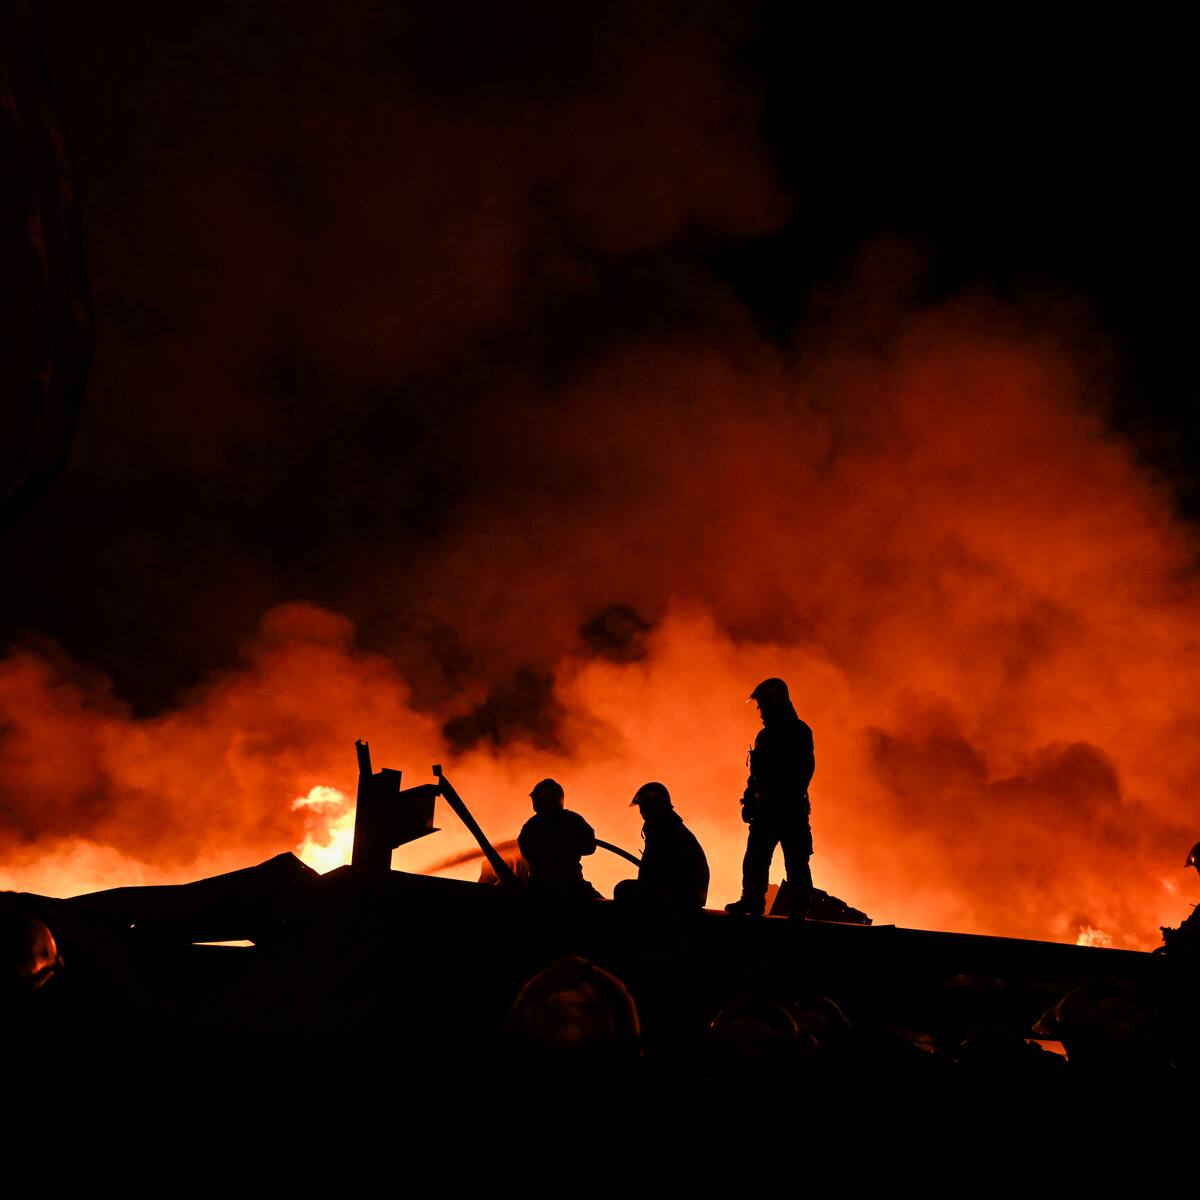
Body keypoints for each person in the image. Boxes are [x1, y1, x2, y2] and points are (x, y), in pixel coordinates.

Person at [725, 677, 814, 918]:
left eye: (762, 706)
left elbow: (803, 772)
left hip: (790, 811)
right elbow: (757, 775)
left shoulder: (799, 732)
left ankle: (798, 910)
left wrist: (778, 799)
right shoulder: (765, 736)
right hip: (768, 810)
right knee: (755, 858)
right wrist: (750, 799)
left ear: (774, 705)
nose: (760, 712)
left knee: (796, 862)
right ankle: (752, 902)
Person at [613, 782, 709, 913]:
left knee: (623, 890)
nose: (641, 812)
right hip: (680, 894)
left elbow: (660, 870)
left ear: (653, 806)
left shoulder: (665, 831)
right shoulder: (666, 827)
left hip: (678, 896)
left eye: (643, 807)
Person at [517, 778, 599, 898]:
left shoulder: (531, 826)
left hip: (539, 889)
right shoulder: (573, 820)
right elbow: (590, 847)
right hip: (573, 886)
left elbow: (525, 852)